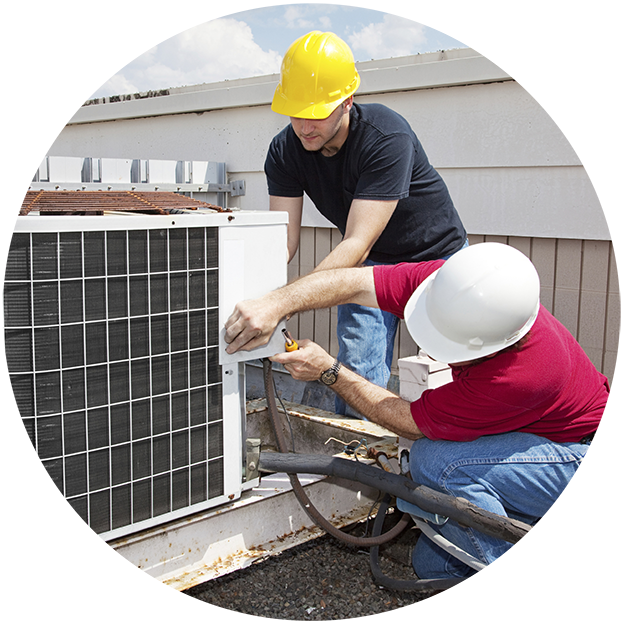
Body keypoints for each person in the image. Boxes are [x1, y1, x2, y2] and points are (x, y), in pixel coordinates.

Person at [224, 242, 621, 578]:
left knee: (438, 463)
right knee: (432, 566)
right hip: (540, 438)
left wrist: (330, 372)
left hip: (588, 465)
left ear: (494, 345)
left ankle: (534, 583)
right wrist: (277, 303)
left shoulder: (523, 374)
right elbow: (353, 281)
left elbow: (412, 423)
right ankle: (529, 532)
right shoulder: (455, 284)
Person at [265, 30, 467, 417]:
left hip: (438, 259)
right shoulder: (284, 151)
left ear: (347, 102)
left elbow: (357, 241)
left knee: (458, 365)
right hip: (372, 264)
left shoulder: (385, 135)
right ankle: (363, 462)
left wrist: (282, 303)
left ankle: (451, 454)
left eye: (319, 112)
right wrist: (258, 294)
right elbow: (283, 241)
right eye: (297, 112)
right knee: (356, 369)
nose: (306, 126)